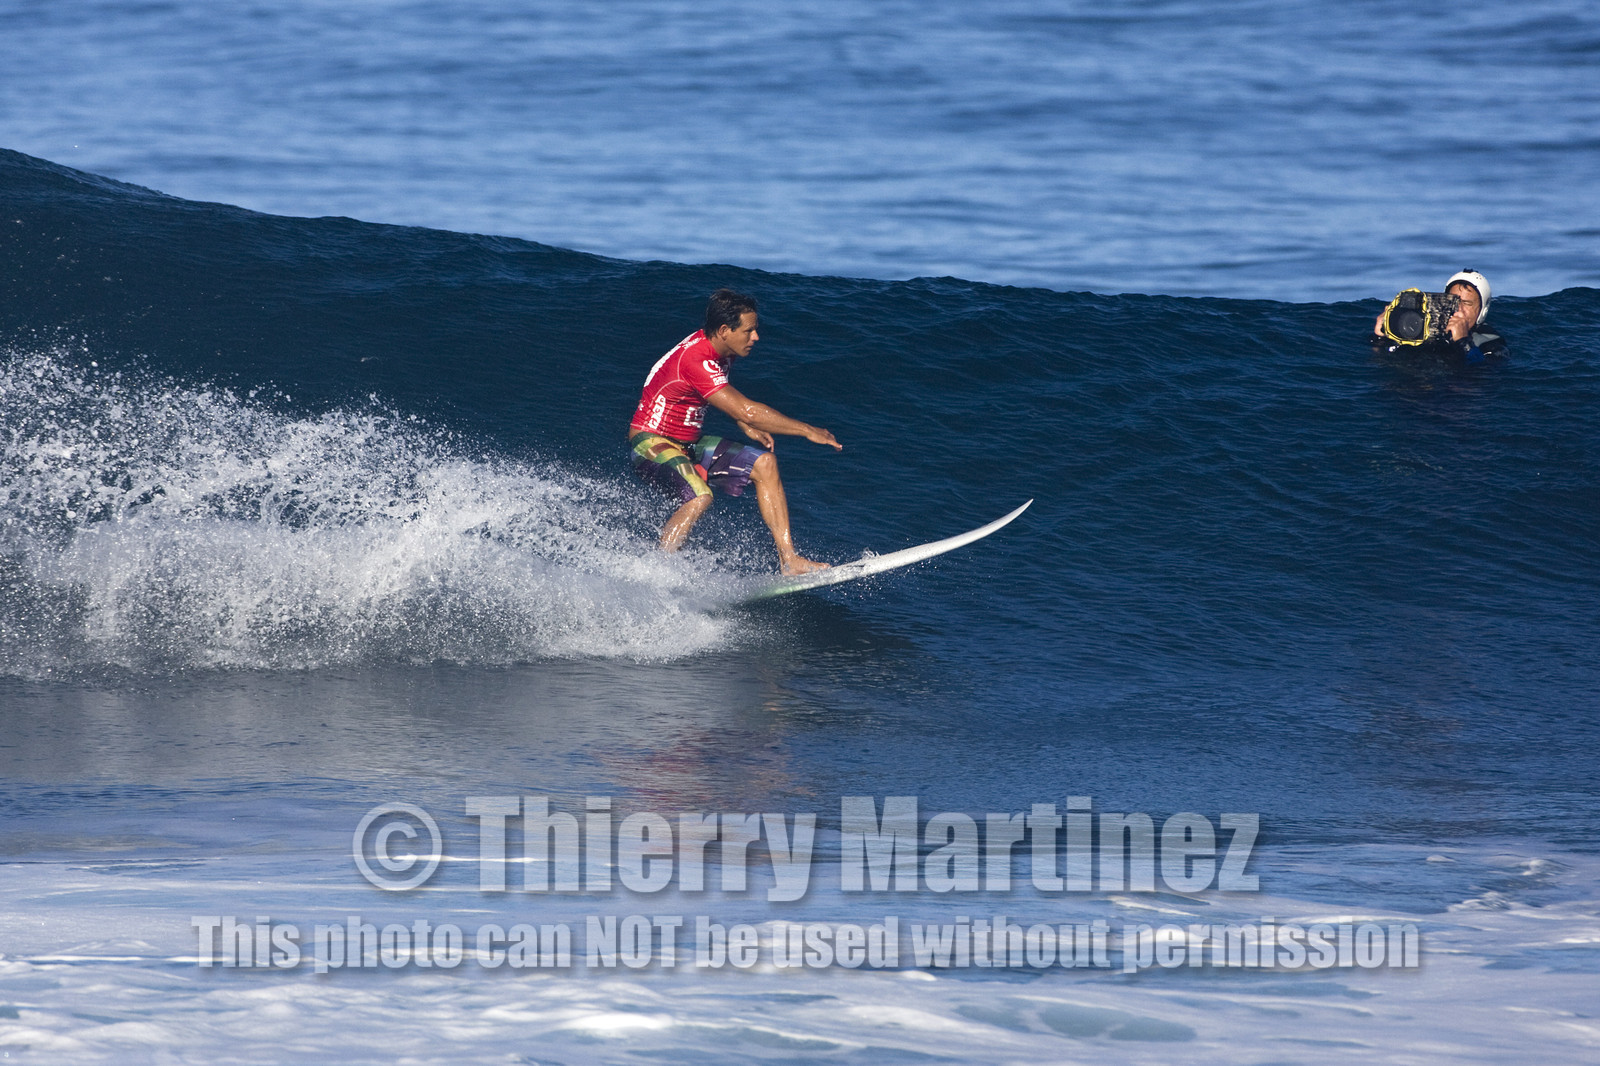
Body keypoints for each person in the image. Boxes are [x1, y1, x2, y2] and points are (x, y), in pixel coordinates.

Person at [629, 289, 842, 574]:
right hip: (650, 443)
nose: (756, 337)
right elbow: (747, 409)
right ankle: (657, 573)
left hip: (688, 444)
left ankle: (789, 561)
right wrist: (807, 430)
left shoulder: (722, 351)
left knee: (765, 464)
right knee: (699, 496)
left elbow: (716, 395)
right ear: (725, 330)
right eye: (749, 330)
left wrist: (743, 424)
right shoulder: (697, 358)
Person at [1371, 269, 1508, 363]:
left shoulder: (1491, 341)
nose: (1457, 309)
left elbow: (1483, 372)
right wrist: (1382, 336)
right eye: (1452, 300)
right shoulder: (1424, 328)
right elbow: (1382, 358)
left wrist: (1462, 341)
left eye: (1466, 303)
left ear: (1482, 310)